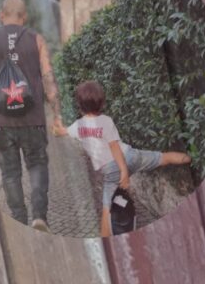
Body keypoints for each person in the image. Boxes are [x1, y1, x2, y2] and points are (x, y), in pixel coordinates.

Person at [67, 79, 194, 238]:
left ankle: (106, 241)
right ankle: (192, 158)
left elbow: (111, 147)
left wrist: (124, 172)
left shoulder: (78, 126)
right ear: (102, 103)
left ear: (79, 105)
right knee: (164, 157)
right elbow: (116, 146)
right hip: (131, 155)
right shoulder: (106, 121)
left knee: (107, 208)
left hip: (114, 168)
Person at [0, 0, 64, 228]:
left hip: (1, 123)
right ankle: (39, 216)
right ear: (24, 17)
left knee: (10, 174)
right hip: (33, 119)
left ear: (1, 15)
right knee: (36, 164)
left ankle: (19, 218)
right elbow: (48, 79)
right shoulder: (36, 40)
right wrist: (57, 115)